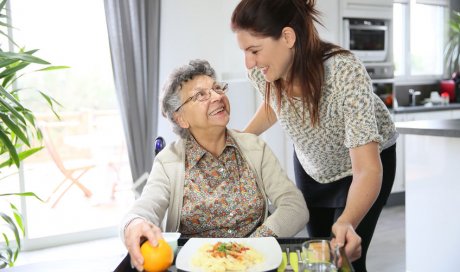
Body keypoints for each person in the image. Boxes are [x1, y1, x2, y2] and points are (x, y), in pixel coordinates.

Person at [231, 0, 398, 271]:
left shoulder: (343, 73)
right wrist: (244, 137)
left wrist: (346, 222)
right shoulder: (261, 72)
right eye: (244, 51)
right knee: (318, 256)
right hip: (312, 165)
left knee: (345, 259)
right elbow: (276, 104)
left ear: (287, 37)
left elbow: (367, 169)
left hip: (364, 166)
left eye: (254, 50)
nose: (248, 62)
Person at [120, 59, 309, 271]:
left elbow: (295, 206)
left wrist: (251, 245)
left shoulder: (255, 147)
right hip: (195, 265)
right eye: (201, 95)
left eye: (217, 88)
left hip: (253, 263)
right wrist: (134, 223)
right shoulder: (168, 162)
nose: (218, 97)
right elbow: (146, 207)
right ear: (181, 118)